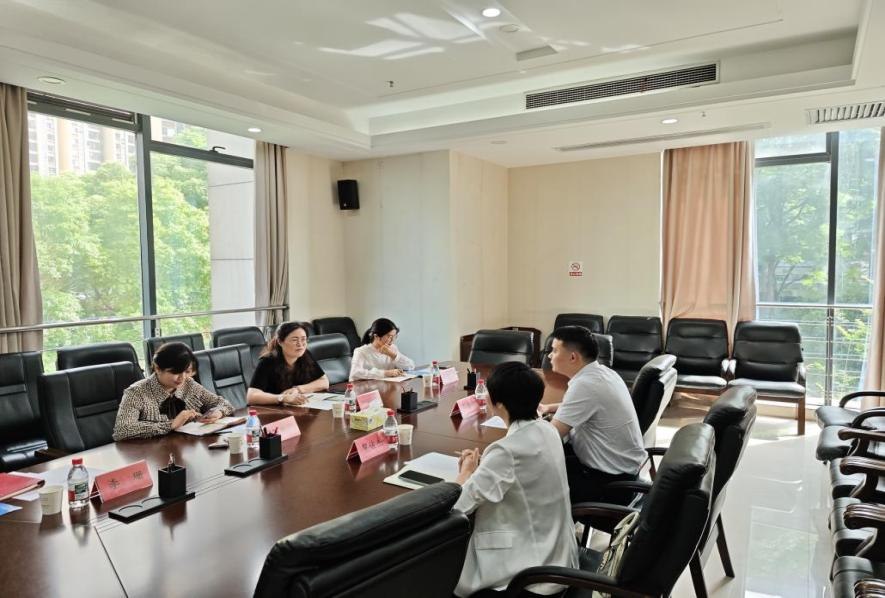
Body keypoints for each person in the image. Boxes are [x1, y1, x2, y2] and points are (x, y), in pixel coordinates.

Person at [453, 362, 578, 597]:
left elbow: (458, 506)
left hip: (529, 570)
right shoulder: (548, 430)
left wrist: (465, 473)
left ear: (498, 403)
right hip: (559, 555)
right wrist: (485, 468)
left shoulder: (505, 451)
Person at [539, 325, 647, 504]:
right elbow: (588, 405)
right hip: (624, 471)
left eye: (555, 350)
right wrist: (548, 408)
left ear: (573, 357)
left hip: (609, 483)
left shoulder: (585, 385)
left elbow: (551, 436)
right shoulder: (603, 373)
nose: (549, 355)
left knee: (537, 477)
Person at [113, 342, 234, 441]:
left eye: (187, 371)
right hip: (151, 454)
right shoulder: (136, 392)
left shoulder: (189, 384)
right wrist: (171, 424)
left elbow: (224, 404)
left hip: (186, 449)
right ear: (157, 368)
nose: (182, 378)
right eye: (175, 372)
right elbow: (122, 429)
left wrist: (218, 412)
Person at [247, 321, 329, 406]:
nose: (300, 344)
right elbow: (251, 397)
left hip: (294, 408)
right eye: (294, 340)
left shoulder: (305, 355)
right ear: (280, 342)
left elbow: (324, 382)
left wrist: (298, 389)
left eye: (303, 339)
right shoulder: (268, 361)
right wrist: (282, 398)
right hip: (270, 409)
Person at [349, 317, 415, 381]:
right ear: (376, 336)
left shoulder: (392, 348)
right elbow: (355, 373)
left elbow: (411, 366)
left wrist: (392, 355)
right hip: (368, 387)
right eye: (389, 336)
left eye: (394, 336)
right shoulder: (361, 351)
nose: (392, 340)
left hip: (388, 386)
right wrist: (385, 373)